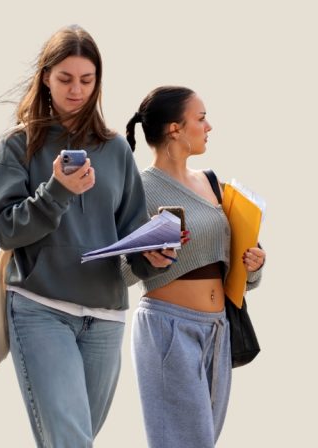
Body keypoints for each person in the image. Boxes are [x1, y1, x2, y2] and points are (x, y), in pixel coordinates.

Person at [0, 25, 174, 447]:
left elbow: (130, 228)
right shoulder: (18, 147)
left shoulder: (115, 149)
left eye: (86, 81)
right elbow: (4, 228)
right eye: (65, 79)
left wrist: (153, 254)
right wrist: (57, 191)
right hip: (40, 308)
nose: (76, 90)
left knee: (72, 439)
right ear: (46, 78)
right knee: (72, 441)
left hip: (106, 316)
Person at [124, 86, 266, 447]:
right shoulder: (138, 190)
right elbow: (117, 272)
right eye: (200, 119)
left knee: (202, 441)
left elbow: (240, 271)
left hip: (218, 329)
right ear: (174, 128)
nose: (209, 127)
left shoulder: (213, 183)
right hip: (168, 328)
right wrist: (147, 255)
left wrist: (253, 264)